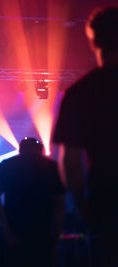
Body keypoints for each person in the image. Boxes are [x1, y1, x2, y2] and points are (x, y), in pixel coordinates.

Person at [53, 6, 118, 267]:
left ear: (93, 41)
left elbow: (70, 164)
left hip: (107, 202)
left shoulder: (80, 93)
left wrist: (82, 205)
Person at [0, 137, 65, 267]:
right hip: (42, 232)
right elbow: (60, 203)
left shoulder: (7, 164)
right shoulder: (52, 167)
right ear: (41, 150)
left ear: (20, 149)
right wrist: (57, 237)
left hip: (14, 230)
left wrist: (6, 228)